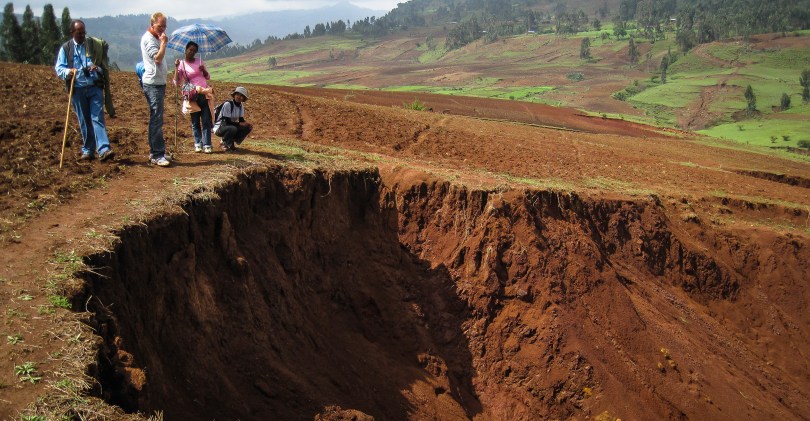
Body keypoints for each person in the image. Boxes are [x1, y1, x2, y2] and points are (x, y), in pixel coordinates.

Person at [54, 20, 114, 162]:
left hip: (94, 87)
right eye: (79, 33)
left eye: (83, 33)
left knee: (97, 118)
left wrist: (96, 68)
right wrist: (69, 72)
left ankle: (104, 149)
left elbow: (102, 65)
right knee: (84, 120)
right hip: (77, 89)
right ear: (72, 33)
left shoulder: (92, 45)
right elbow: (59, 68)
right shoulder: (66, 49)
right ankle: (88, 150)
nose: (82, 35)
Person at [140, 12, 171, 167]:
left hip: (158, 83)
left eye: (165, 26)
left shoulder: (156, 38)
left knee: (157, 118)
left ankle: (158, 151)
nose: (163, 29)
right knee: (156, 119)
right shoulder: (149, 39)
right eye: (160, 26)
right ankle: (157, 154)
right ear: (152, 24)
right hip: (153, 84)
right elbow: (157, 58)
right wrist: (163, 43)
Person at [174, 41, 214, 153]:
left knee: (206, 120)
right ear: (186, 50)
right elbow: (177, 82)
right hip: (192, 95)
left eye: (194, 51)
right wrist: (176, 68)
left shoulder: (199, 61)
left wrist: (203, 70)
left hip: (204, 94)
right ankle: (198, 143)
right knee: (195, 121)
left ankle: (207, 145)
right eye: (190, 50)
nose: (192, 52)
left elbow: (208, 77)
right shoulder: (181, 64)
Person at [214, 87, 253, 151]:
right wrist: (239, 124)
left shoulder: (241, 106)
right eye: (237, 94)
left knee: (247, 127)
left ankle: (231, 143)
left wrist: (246, 124)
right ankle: (224, 143)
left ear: (243, 98)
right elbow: (227, 121)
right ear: (234, 95)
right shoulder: (228, 104)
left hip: (230, 126)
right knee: (233, 128)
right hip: (220, 128)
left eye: (241, 96)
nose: (239, 97)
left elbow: (241, 119)